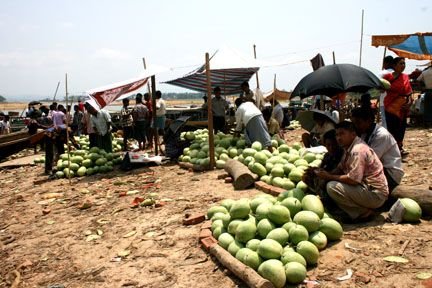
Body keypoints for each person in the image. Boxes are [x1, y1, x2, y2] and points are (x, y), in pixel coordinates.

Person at [315, 121, 389, 221]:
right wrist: (324, 174)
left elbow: (353, 179)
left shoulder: (357, 150)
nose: (338, 138)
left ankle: (362, 213)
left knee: (332, 187)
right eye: (337, 135)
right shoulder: (348, 148)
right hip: (366, 189)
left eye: (342, 134)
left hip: (375, 194)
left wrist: (329, 177)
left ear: (353, 134)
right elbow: (340, 167)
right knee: (328, 183)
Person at [351, 107, 404, 193]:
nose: (356, 126)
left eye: (358, 123)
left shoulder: (381, 135)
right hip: (378, 170)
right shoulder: (364, 133)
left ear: (368, 121)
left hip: (390, 173)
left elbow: (370, 161)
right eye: (354, 123)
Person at [383, 57, 413, 156]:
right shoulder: (387, 77)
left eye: (404, 63)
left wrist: (409, 103)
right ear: (394, 65)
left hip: (403, 107)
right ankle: (392, 149)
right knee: (392, 128)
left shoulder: (405, 77)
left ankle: (399, 147)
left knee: (401, 128)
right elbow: (381, 88)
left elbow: (409, 92)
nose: (403, 65)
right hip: (391, 107)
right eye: (401, 63)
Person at [303, 129, 344, 198]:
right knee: (307, 176)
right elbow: (322, 168)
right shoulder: (327, 156)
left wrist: (327, 176)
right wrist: (314, 170)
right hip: (326, 177)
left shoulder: (343, 156)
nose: (331, 148)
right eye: (328, 145)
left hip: (336, 182)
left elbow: (340, 173)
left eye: (334, 145)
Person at [378, 55, 394, 128]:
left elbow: (379, 87)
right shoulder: (397, 73)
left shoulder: (382, 73)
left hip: (384, 99)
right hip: (396, 100)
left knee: (385, 120)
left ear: (386, 63)